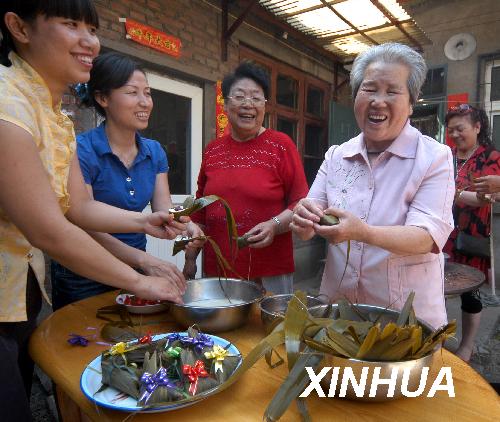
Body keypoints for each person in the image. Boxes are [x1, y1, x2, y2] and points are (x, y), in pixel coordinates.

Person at [0, 2, 184, 419]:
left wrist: (145, 221)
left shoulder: (56, 119)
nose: (90, 42)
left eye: (93, 29)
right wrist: (141, 279)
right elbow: (48, 229)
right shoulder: (8, 102)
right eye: (71, 24)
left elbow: (78, 207)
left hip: (20, 295)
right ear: (19, 28)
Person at [291, 42, 455, 330]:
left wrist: (362, 232)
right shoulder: (336, 156)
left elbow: (427, 237)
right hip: (339, 311)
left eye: (392, 91)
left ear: (411, 103)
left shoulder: (434, 157)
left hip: (403, 319)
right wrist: (303, 219)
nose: (378, 101)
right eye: (369, 89)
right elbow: (309, 220)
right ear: (355, 96)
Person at [51, 52, 203, 310]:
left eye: (148, 93)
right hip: (84, 268)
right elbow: (82, 221)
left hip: (134, 265)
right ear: (103, 98)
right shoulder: (81, 150)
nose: (145, 102)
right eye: (133, 93)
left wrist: (186, 224)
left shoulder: (154, 151)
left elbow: (165, 208)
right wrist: (143, 260)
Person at [184, 62, 309, 294]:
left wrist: (274, 225)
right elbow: (201, 210)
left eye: (256, 98)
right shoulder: (213, 150)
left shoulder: (281, 145)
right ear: (225, 104)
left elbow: (301, 203)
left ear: (264, 106)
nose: (248, 104)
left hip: (269, 270)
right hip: (218, 269)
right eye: (239, 96)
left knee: (270, 318)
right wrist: (190, 258)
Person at [443, 104, 500, 362]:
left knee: (470, 293)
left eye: (460, 129)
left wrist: (452, 193)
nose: (454, 135)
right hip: (443, 233)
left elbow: (485, 197)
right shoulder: (446, 155)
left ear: (477, 127)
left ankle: (467, 345)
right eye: (451, 130)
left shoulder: (490, 157)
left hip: (471, 235)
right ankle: (436, 337)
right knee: (436, 288)